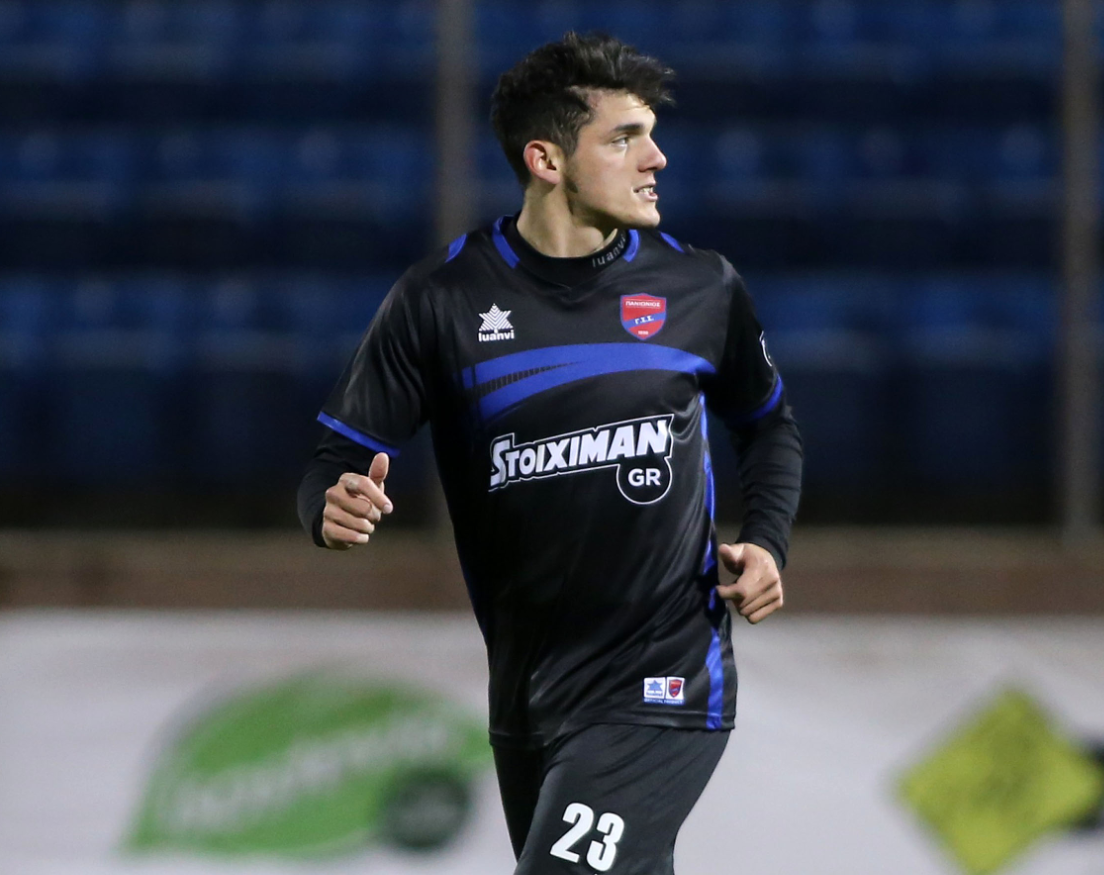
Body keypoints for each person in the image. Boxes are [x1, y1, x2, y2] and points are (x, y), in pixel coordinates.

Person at [297, 31, 802, 874]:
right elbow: (333, 459)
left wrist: (768, 542)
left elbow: (769, 426)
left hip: (662, 681)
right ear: (546, 159)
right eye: (624, 138)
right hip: (528, 694)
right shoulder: (443, 299)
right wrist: (331, 506)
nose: (656, 158)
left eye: (650, 135)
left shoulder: (700, 287)